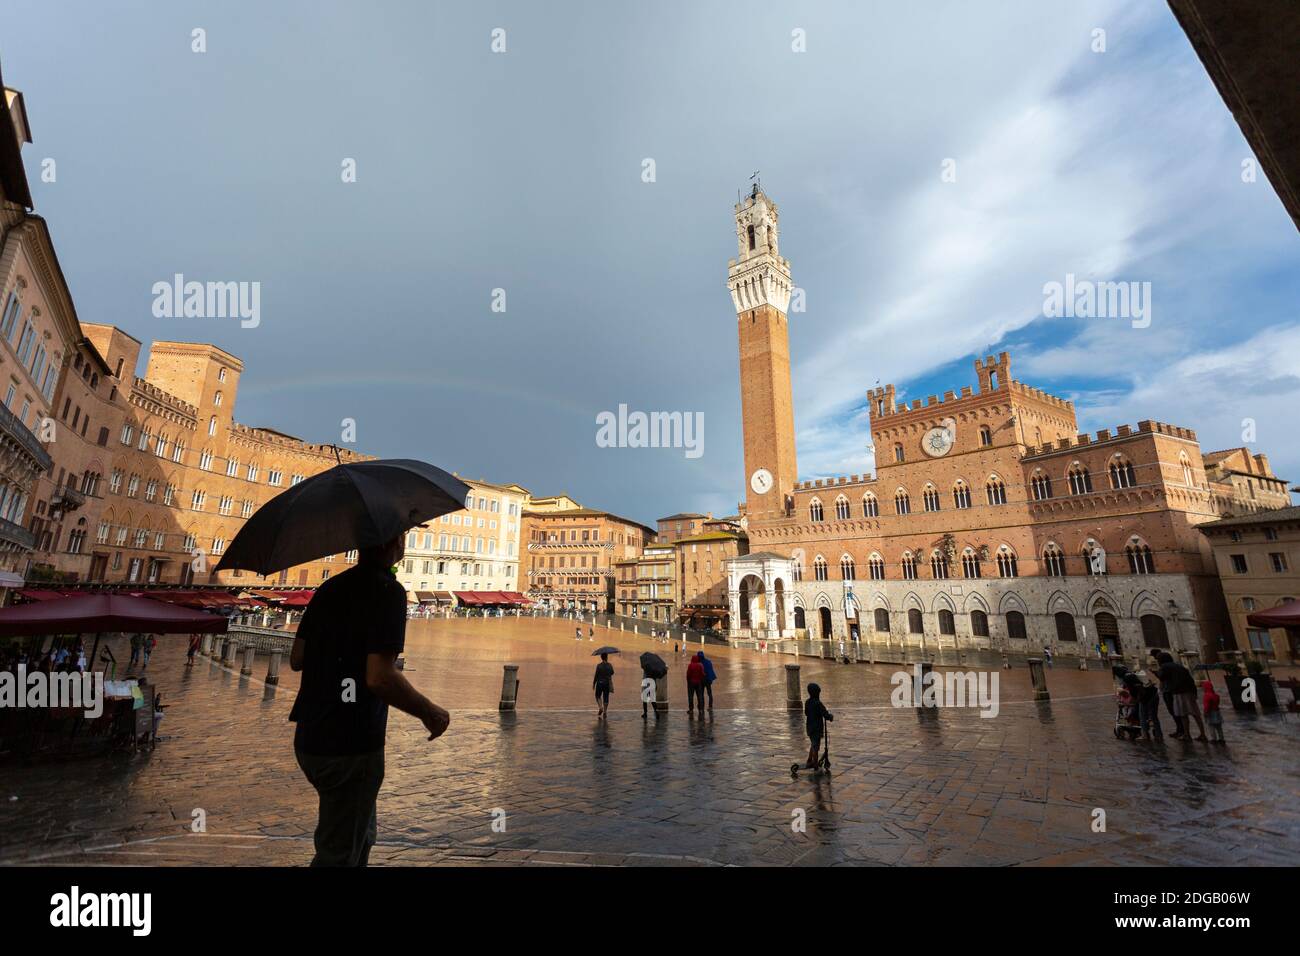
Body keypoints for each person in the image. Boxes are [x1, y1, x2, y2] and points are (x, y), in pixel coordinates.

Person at [289, 535, 450, 867]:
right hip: (352, 742)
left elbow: (297, 657)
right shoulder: (388, 591)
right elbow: (379, 677)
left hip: (310, 735)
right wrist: (429, 712)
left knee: (358, 837)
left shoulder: (329, 588)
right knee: (340, 853)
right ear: (393, 544)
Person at [1157, 652, 1207, 741]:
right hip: (1189, 691)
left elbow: (1162, 677)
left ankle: (1187, 734)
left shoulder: (1164, 667)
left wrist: (1155, 673)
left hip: (1178, 692)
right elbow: (1190, 679)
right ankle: (1203, 734)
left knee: (1183, 714)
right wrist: (1194, 692)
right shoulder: (1179, 666)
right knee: (1195, 714)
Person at [804, 682, 833, 769]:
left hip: (809, 727)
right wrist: (830, 717)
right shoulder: (818, 703)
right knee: (816, 747)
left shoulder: (807, 702)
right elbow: (825, 714)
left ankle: (809, 760)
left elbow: (806, 713)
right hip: (817, 728)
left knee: (813, 744)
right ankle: (815, 764)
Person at [593, 653, 613, 717]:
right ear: (607, 657)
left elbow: (596, 675)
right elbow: (612, 672)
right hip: (607, 683)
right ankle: (605, 711)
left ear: (601, 658)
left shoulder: (599, 666)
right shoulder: (609, 665)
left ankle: (600, 707)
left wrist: (594, 683)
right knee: (606, 697)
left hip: (599, 683)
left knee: (597, 696)